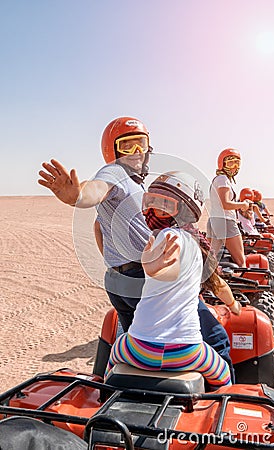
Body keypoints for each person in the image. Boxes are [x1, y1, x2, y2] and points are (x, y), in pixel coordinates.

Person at [104, 171, 233, 390]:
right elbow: (178, 272)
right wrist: (234, 304)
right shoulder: (194, 243)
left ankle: (104, 394)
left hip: (137, 349)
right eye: (150, 202)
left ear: (184, 209)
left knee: (114, 354)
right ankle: (223, 405)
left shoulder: (163, 237)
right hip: (188, 351)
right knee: (223, 374)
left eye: (164, 204)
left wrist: (152, 268)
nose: (153, 211)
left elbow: (170, 269)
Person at [38, 116, 152, 332]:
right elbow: (96, 188)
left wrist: (116, 265)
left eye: (141, 143)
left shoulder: (136, 184)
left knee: (130, 339)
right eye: (127, 146)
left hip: (119, 278)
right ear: (113, 151)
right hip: (137, 277)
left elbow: (98, 226)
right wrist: (78, 196)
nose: (136, 150)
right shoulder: (115, 173)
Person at [206, 148, 250, 267]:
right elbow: (225, 204)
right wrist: (243, 205)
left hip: (214, 220)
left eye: (237, 163)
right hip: (226, 222)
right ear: (222, 164)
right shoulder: (223, 180)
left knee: (209, 260)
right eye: (230, 163)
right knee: (241, 262)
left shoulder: (219, 179)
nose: (234, 167)